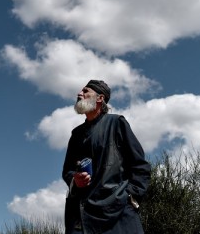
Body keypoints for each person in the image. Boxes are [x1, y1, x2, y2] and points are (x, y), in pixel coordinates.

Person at [63, 80, 151, 234]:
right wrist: (75, 180)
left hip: (118, 213)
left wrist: (130, 197)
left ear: (100, 98)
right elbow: (67, 171)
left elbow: (140, 166)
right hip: (82, 215)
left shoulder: (117, 123)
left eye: (85, 91)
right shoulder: (76, 135)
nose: (79, 94)